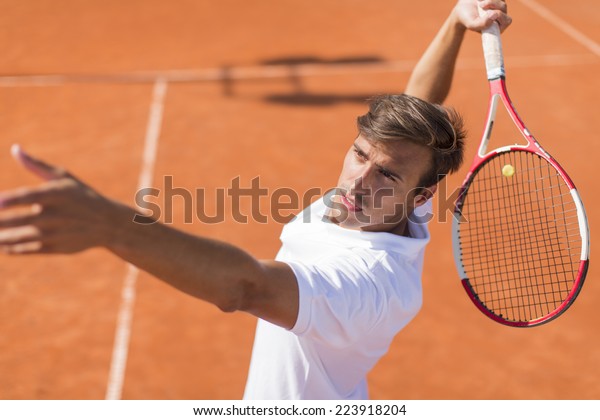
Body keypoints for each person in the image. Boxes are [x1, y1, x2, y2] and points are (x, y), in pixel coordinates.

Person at [0, 0, 511, 400]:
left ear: (421, 195)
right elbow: (419, 105)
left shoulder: (370, 286)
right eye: (358, 155)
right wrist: (453, 21)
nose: (357, 183)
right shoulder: (402, 199)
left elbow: (245, 287)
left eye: (384, 176)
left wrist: (111, 227)